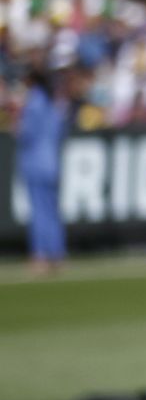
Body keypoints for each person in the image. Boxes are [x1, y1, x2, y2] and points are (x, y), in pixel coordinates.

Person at [17, 69, 67, 275]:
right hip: (52, 162)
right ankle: (57, 253)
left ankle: (40, 255)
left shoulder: (34, 103)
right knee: (52, 211)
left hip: (36, 163)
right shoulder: (52, 105)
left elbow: (26, 134)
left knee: (39, 211)